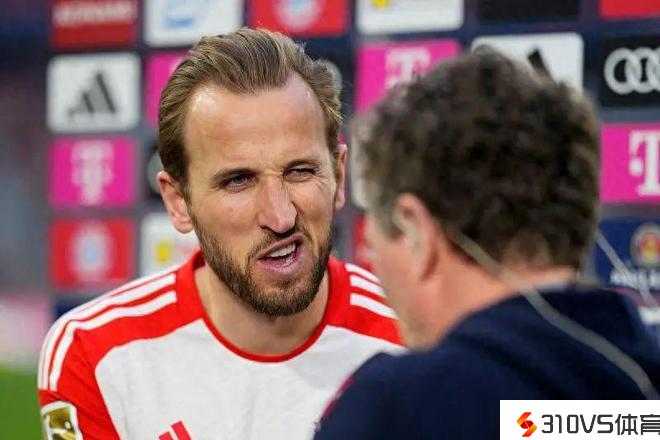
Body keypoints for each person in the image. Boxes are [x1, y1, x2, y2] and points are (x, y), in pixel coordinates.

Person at [38, 28, 401, 440]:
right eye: (238, 181)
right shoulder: (96, 353)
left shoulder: (418, 341)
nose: (280, 217)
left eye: (300, 171)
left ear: (338, 175)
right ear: (179, 201)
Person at [314, 48, 660, 439]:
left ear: (415, 231)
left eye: (374, 242)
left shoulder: (399, 409)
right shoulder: (638, 392)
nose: (372, 262)